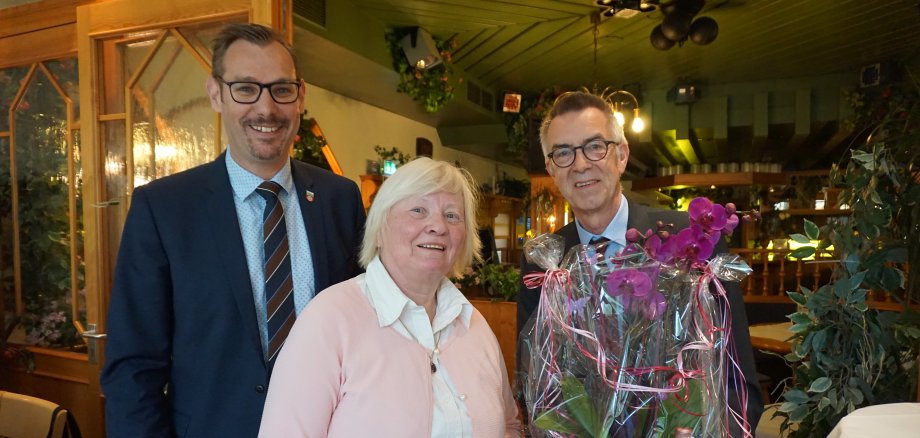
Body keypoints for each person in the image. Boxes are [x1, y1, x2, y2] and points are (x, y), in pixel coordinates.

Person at [101, 23, 366, 437]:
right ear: (215, 94)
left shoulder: (340, 199)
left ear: (301, 97)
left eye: (281, 89)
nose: (266, 108)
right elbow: (133, 366)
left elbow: (365, 333)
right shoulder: (164, 208)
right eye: (245, 88)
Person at [515, 91, 764, 436]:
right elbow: (536, 383)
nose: (581, 163)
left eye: (595, 146)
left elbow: (738, 381)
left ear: (622, 155)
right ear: (551, 169)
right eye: (563, 152)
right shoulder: (544, 261)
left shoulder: (689, 242)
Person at [259, 157, 522, 437]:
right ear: (379, 229)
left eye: (452, 215)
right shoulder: (328, 320)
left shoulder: (474, 324)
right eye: (418, 210)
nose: (438, 226)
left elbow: (509, 426)